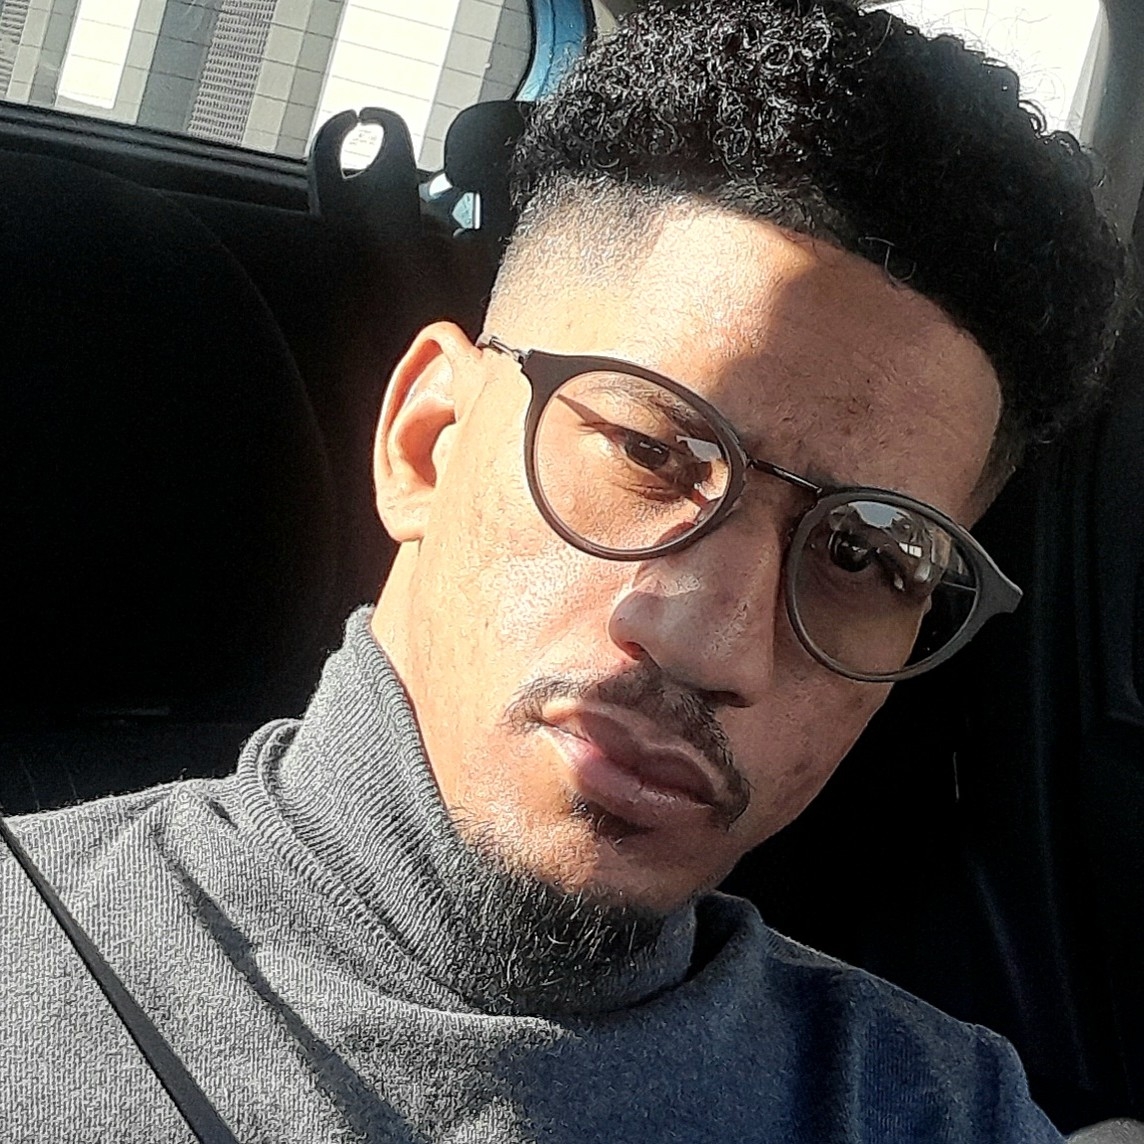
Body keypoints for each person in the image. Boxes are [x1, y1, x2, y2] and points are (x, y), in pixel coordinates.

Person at [0, 1, 1129, 1141]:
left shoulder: (939, 1109)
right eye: (650, 452)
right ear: (427, 443)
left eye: (863, 554)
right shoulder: (27, 965)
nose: (714, 644)